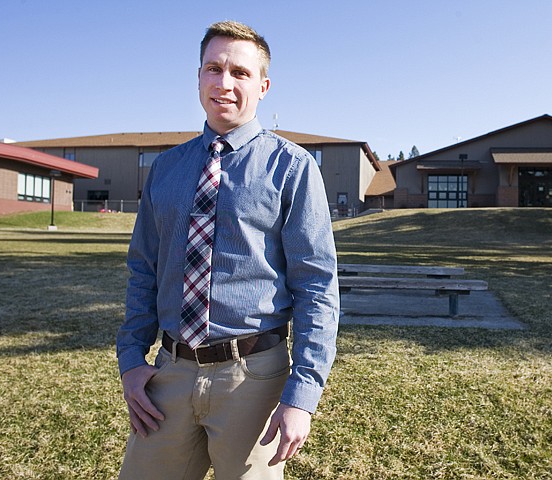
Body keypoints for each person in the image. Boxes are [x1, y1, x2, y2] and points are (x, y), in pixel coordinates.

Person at [116, 20, 339, 479]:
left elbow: (317, 287)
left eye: (239, 72)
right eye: (213, 68)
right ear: (198, 77)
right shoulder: (166, 168)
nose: (224, 82)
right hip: (169, 375)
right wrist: (132, 361)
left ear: (263, 85)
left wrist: (302, 396)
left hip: (253, 378)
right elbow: (143, 269)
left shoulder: (292, 168)